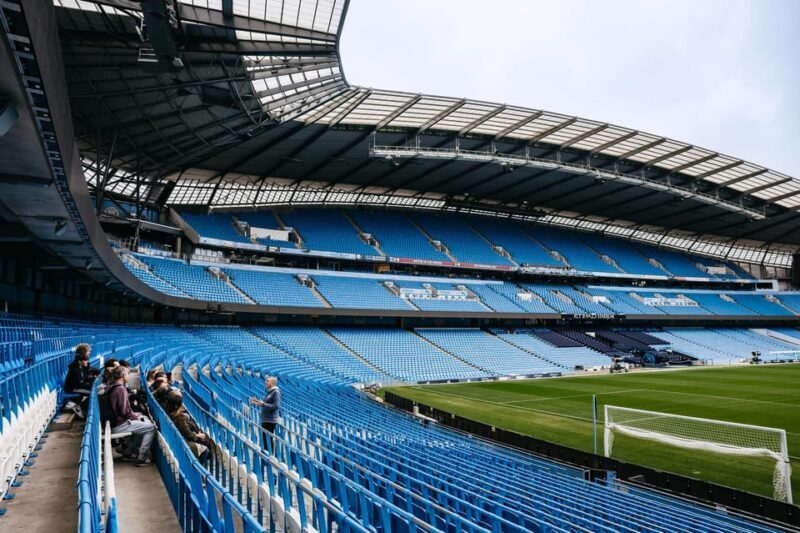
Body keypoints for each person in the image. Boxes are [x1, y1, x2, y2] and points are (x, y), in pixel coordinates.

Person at [107, 366, 156, 466]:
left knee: (140, 425)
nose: (128, 376)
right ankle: (142, 457)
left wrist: (135, 416)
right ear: (123, 375)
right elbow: (125, 412)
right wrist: (136, 417)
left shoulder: (112, 386)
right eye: (127, 374)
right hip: (119, 424)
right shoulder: (120, 389)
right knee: (151, 428)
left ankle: (128, 453)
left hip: (113, 422)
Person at [164, 390, 213, 463]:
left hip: (173, 439)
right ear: (178, 405)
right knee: (205, 449)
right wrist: (197, 435)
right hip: (181, 443)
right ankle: (199, 471)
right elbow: (189, 435)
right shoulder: (179, 417)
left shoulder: (166, 410)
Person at [64, 344, 98, 418]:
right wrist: (88, 384)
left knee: (92, 390)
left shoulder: (82, 364)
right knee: (91, 392)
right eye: (88, 351)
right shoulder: (75, 367)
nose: (89, 353)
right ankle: (79, 407)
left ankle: (80, 406)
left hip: (78, 385)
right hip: (72, 388)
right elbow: (78, 382)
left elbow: (85, 375)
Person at [249, 376, 281, 451]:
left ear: (272, 383)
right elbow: (265, 403)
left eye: (267, 381)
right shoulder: (269, 392)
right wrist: (257, 401)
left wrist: (263, 404)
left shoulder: (276, 392)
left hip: (270, 420)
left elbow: (276, 406)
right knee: (265, 440)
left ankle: (270, 458)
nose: (265, 382)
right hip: (265, 420)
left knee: (268, 441)